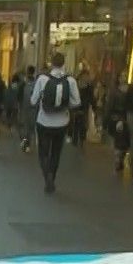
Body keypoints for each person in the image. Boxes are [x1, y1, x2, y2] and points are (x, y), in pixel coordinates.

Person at [29, 53, 81, 193]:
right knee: (56, 152)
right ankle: (52, 174)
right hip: (62, 122)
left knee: (43, 152)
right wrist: (65, 105)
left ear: (51, 63)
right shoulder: (70, 80)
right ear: (64, 63)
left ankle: (47, 177)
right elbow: (77, 102)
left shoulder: (42, 79)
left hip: (44, 121)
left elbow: (33, 101)